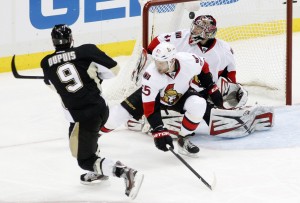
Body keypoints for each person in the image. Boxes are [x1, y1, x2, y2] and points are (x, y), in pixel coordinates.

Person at [40, 24, 143, 199]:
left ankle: (124, 172)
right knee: (87, 143)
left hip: (83, 117)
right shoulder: (86, 51)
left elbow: (52, 86)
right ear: (72, 39)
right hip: (101, 109)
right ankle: (100, 170)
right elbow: (114, 70)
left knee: (84, 160)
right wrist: (94, 77)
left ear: (53, 42)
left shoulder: (46, 63)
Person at [100, 42, 224, 157]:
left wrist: (211, 87)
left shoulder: (189, 60)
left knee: (199, 104)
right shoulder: (151, 76)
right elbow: (150, 108)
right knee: (116, 116)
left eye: (162, 63)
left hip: (180, 94)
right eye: (156, 62)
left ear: (172, 60)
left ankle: (183, 140)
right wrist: (159, 129)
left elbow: (204, 66)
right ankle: (92, 136)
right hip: (156, 98)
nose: (158, 66)